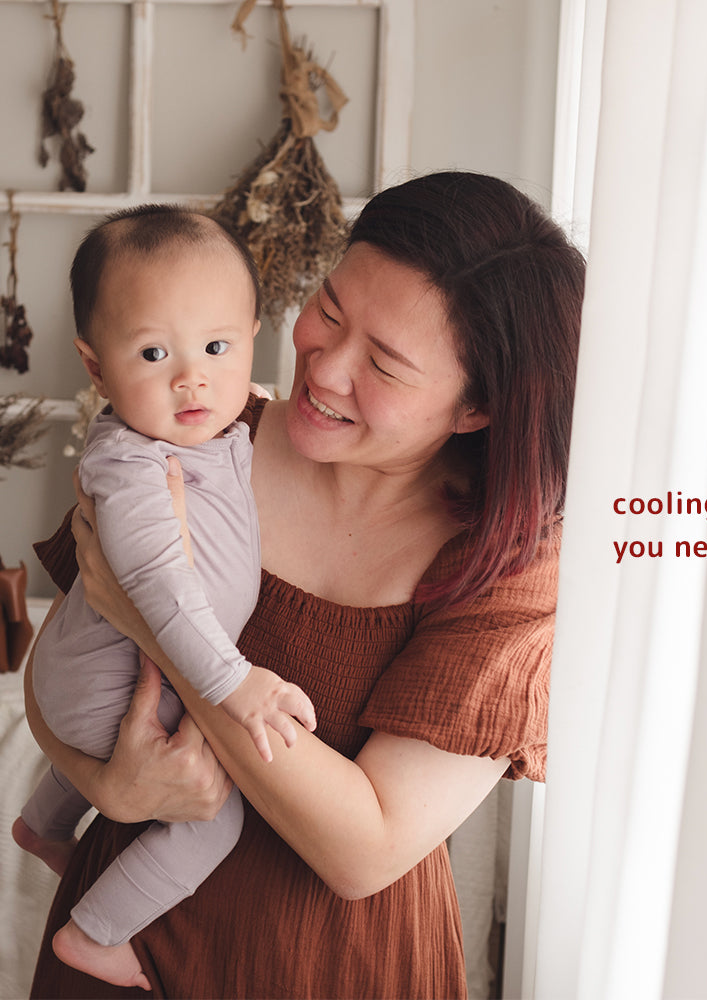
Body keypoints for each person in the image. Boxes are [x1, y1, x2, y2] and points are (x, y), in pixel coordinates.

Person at [24, 171, 585, 999]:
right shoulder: (202, 438)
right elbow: (63, 669)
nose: (324, 370)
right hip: (116, 952)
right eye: (329, 308)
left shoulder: (508, 566)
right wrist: (104, 782)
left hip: (339, 970)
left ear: (476, 408)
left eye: (385, 366)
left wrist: (160, 637)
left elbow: (364, 848)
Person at [12, 205, 316, 992]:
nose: (193, 377)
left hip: (90, 675)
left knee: (125, 731)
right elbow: (157, 586)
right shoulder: (132, 468)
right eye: (153, 353)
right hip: (99, 679)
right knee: (219, 815)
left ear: (252, 337)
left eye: (218, 347)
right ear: (95, 365)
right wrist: (233, 682)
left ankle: (42, 824)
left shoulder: (220, 432)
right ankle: (97, 933)